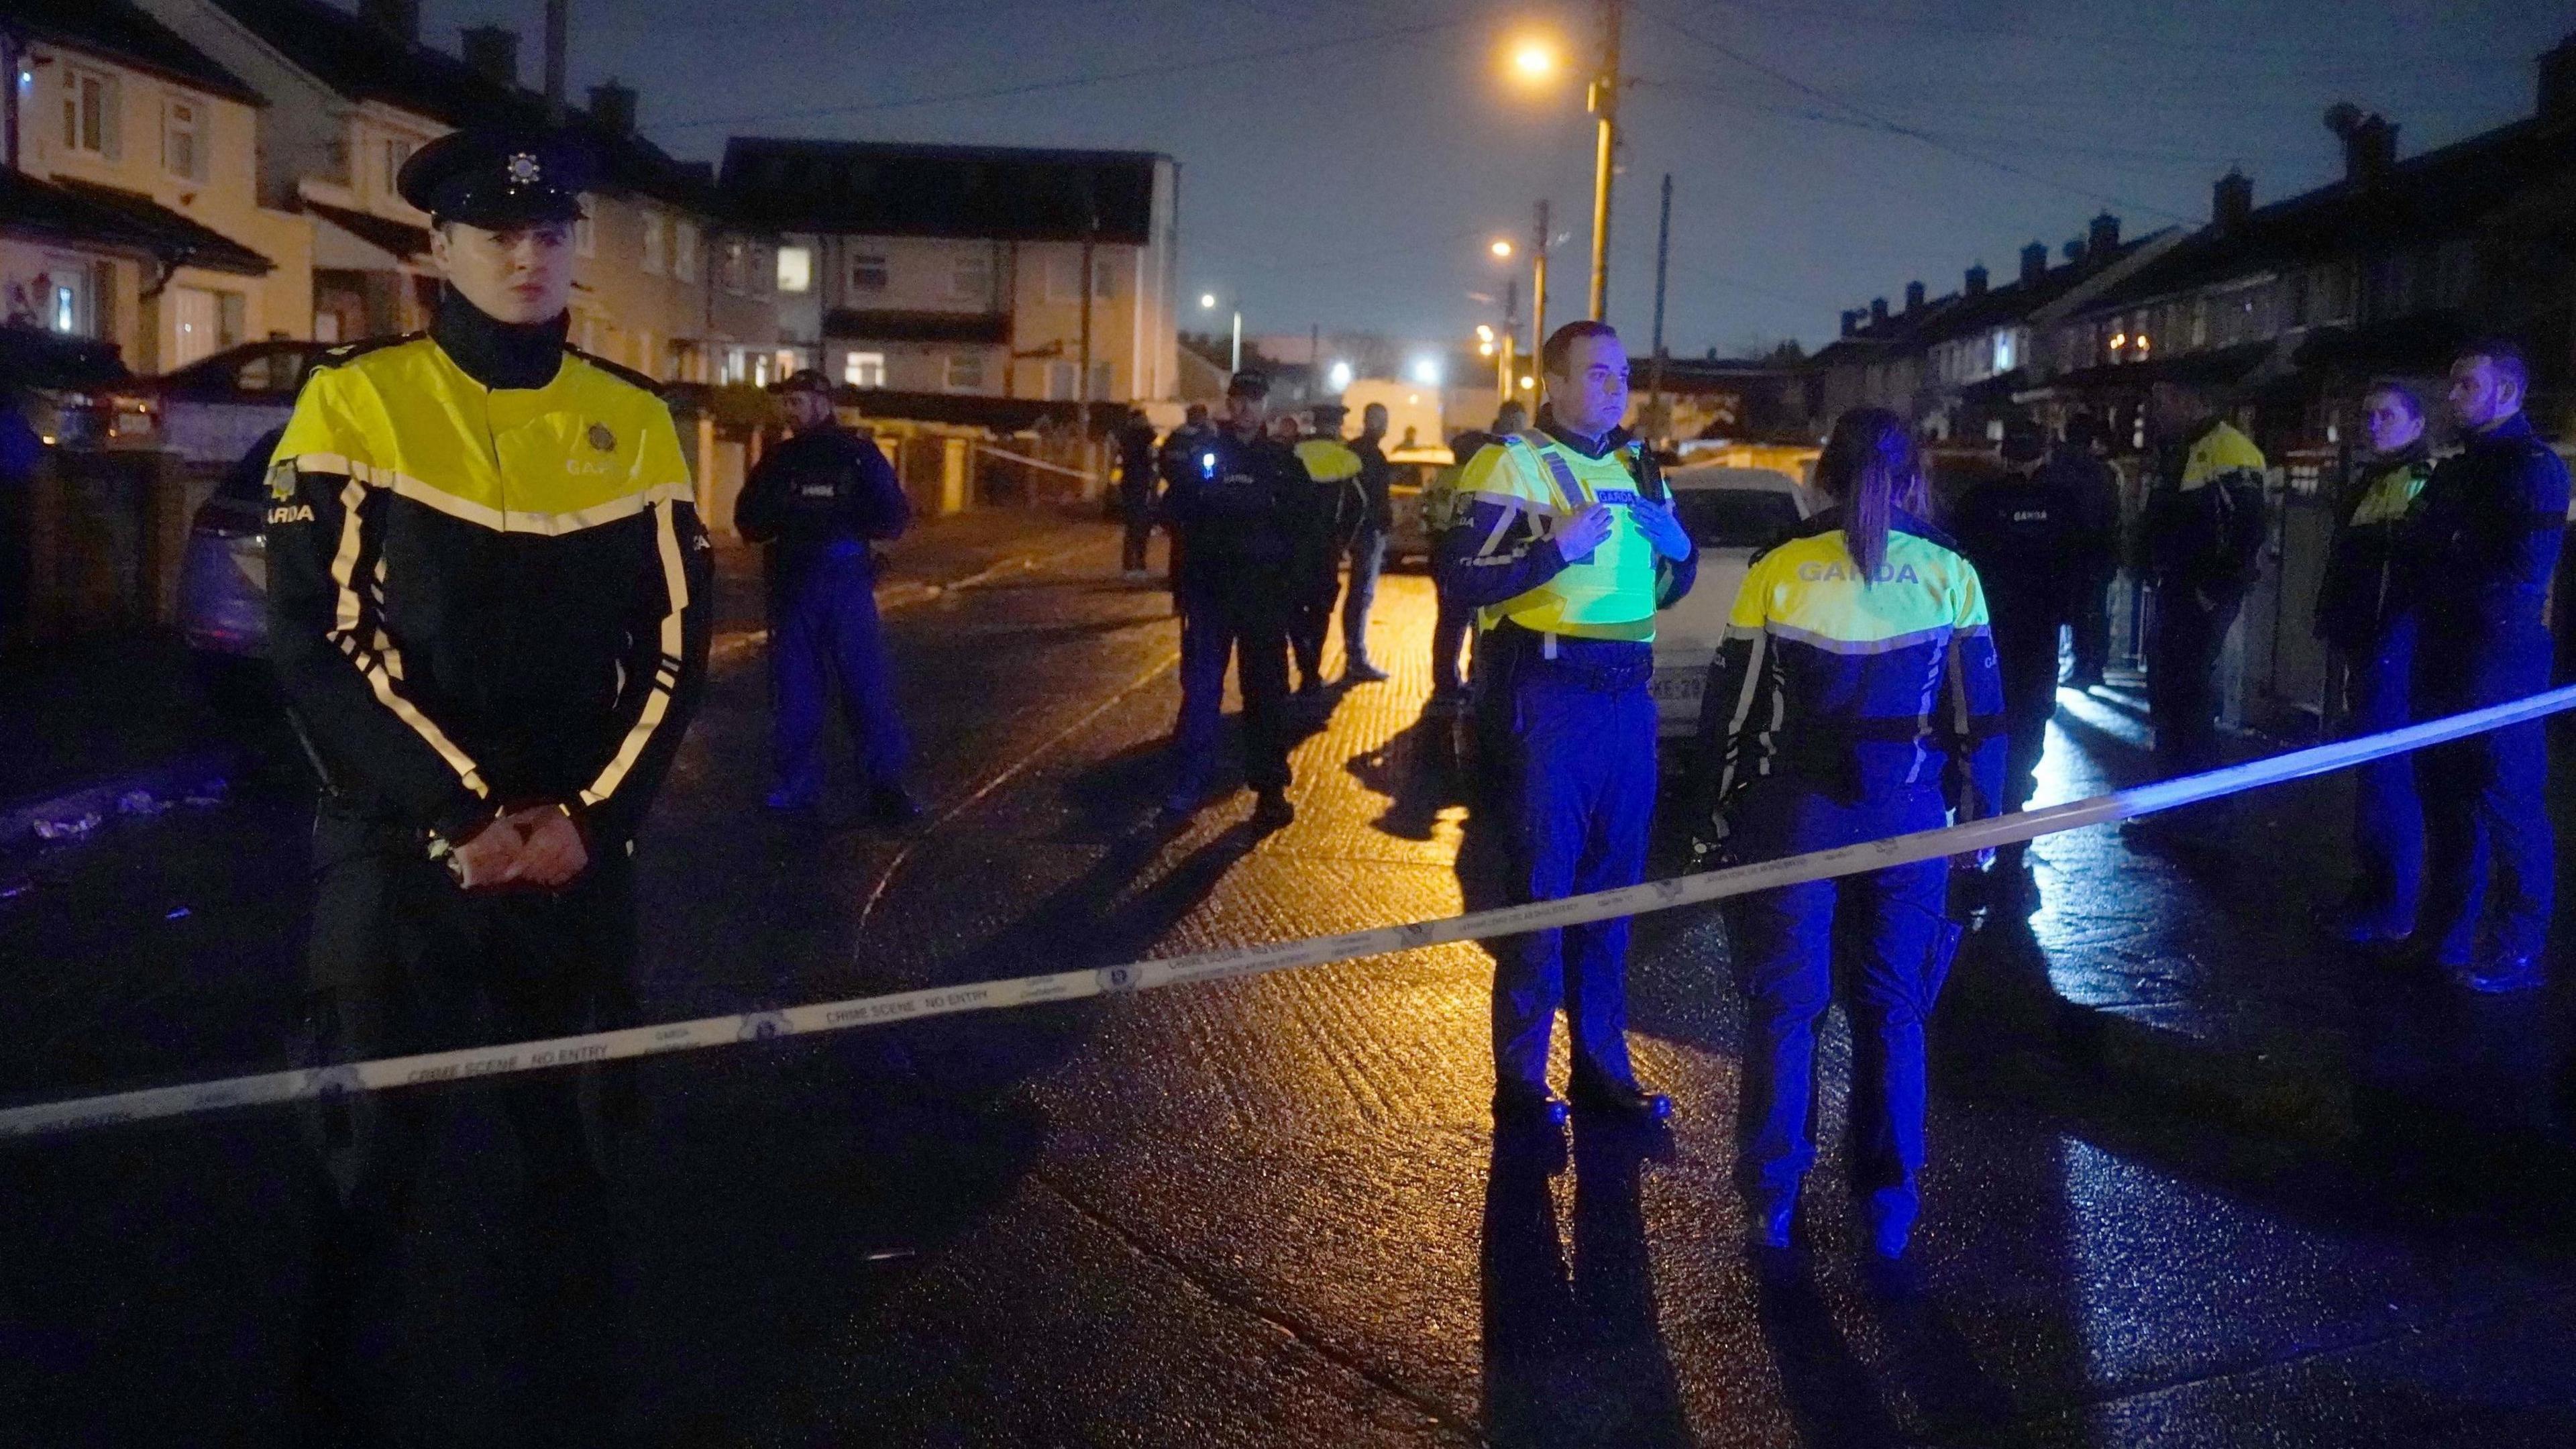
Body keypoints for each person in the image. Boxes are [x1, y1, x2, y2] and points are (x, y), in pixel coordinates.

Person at [264, 126, 712, 1435]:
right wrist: (462, 810)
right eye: (498, 234)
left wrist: (586, 820)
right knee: (366, 1160)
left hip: (572, 850)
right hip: (402, 844)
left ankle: (571, 1399)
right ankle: (340, 1400)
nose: (528, 255)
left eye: (551, 232)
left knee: (574, 1149)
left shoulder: (633, 420)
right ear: (438, 250)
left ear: (576, 247)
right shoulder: (356, 400)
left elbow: (677, 648)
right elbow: (320, 641)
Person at [1694, 407, 2004, 1264]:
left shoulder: (1778, 568)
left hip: (1796, 820)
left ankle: (1773, 1200)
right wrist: (1981, 825)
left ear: (1824, 474)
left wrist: (1715, 824)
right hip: (1909, 821)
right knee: (1895, 1010)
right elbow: (1985, 718)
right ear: (1914, 480)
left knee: (1787, 1011)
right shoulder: (1951, 572)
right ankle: (1889, 1204)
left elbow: (1735, 714)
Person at [1438, 321, 1697, 1128]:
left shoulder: (1638, 463)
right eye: (1595, 373)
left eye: (1620, 374)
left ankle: (1601, 1070)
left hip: (1627, 700)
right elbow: (1459, 576)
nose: (1613, 387)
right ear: (1551, 383)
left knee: (1611, 897)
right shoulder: (1509, 462)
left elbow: (1663, 586)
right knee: (1543, 894)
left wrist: (1681, 555)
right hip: (1549, 696)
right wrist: (1554, 550)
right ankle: (1521, 1084)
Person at [2412, 338, 2569, 993]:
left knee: (2508, 801)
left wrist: (2450, 572)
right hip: (2450, 650)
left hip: (2498, 658)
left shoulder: (2531, 468)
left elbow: (2519, 574)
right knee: (2447, 800)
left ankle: (2517, 946)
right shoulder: (2464, 467)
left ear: (2509, 391)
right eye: (2452, 384)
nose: (2452, 397)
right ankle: (2445, 936)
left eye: (2467, 385)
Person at [735, 368, 920, 824]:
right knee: (799, 688)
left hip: (835, 580)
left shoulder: (852, 455)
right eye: (787, 402)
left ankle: (883, 787)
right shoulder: (784, 459)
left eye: (797, 402)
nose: (789, 410)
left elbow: (893, 515)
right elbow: (750, 519)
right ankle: (801, 786)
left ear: (823, 403)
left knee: (864, 685)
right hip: (802, 581)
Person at [2311, 380, 2434, 947]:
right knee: (2374, 772)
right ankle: (2376, 891)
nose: (2374, 425)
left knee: (2388, 778)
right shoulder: (2371, 482)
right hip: (2367, 645)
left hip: (2392, 649)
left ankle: (2392, 903)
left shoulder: (2418, 483)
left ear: (2416, 424)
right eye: (2368, 416)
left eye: (2387, 416)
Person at [1949, 416, 2083, 900]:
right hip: (2034, 640)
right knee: (2025, 734)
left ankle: (1980, 843)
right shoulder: (2064, 502)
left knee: (1981, 733)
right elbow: (2087, 565)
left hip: (1986, 639)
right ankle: (2008, 840)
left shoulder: (1981, 501)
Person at [1164, 371, 1306, 828]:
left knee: (1266, 696)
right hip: (1211, 595)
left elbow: (1306, 533)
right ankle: (1186, 784)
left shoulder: (1282, 462)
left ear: (1266, 406)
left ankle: (1269, 791)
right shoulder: (1208, 455)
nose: (1243, 407)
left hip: (1263, 599)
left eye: (1253, 399)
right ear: (1228, 403)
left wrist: (1293, 592)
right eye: (1237, 399)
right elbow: (1175, 514)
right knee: (1202, 693)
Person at [2131, 381, 2267, 843]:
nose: (2155, 409)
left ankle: (2200, 809)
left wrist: (2214, 591)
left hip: (2198, 594)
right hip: (2179, 590)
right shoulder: (2183, 449)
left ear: (2194, 400)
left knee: (2187, 698)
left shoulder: (2230, 451)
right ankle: (2177, 805)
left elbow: (2246, 532)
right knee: (2169, 696)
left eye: (2165, 400)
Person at [1424, 401, 1526, 706]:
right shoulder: (1477, 477)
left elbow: (1429, 514)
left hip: (1442, 550)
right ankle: (1473, 679)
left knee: (1449, 621)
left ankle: (1445, 681)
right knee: (1475, 621)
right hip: (1473, 553)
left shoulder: (1444, 478)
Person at [1288, 405, 1361, 696]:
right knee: (1320, 612)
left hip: (1294, 548)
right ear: (1338, 426)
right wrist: (1344, 541)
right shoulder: (1345, 460)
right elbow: (1359, 505)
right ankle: (1311, 671)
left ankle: (1303, 661)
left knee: (1294, 608)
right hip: (1326, 548)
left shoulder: (1295, 453)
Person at [2053, 413, 2123, 689]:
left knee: (2065, 613)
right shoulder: (2103, 472)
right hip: (2097, 553)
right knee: (2092, 612)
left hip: (2067, 553)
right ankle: (2091, 667)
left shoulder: (2058, 468)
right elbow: (2111, 514)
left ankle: (2076, 666)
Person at [1338, 402, 1396, 682]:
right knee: (1361, 595)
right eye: (1378, 420)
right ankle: (1356, 658)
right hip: (1367, 532)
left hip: (1364, 531)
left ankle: (1355, 655)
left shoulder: (1357, 450)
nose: (1382, 426)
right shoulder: (1370, 454)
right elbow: (1369, 498)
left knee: (1359, 595)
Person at [1114, 406, 1161, 580]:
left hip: (1133, 486)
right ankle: (1138, 564)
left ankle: (1131, 565)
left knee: (1134, 528)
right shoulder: (1143, 437)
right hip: (1140, 486)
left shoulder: (1128, 437)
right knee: (1140, 528)